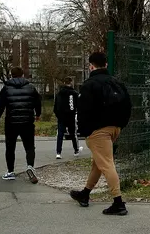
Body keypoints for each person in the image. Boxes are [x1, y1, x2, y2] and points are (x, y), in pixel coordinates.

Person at [70, 52, 132, 216]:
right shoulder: (116, 83)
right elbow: (128, 105)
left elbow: (83, 110)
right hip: (115, 128)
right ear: (106, 64)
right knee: (98, 163)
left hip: (98, 130)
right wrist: (121, 125)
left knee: (106, 164)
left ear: (91, 66)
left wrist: (85, 131)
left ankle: (118, 203)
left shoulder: (89, 84)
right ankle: (85, 194)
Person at [0, 67, 42, 184]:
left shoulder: (6, 88)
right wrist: (38, 114)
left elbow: (0, 107)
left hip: (11, 123)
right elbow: (37, 102)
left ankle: (10, 172)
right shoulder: (31, 88)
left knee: (10, 148)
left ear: (11, 75)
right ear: (23, 75)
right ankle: (30, 166)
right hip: (27, 122)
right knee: (29, 147)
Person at [54, 77, 83, 159]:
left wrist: (58, 115)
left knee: (60, 135)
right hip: (71, 116)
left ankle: (58, 152)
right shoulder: (74, 93)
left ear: (64, 82)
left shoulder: (59, 93)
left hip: (61, 116)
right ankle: (76, 150)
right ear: (71, 82)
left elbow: (56, 106)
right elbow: (78, 105)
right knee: (73, 134)